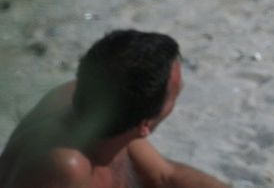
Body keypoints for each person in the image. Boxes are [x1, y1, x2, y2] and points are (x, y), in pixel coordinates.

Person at [0, 29, 229, 188]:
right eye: (176, 93)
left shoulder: (108, 115)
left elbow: (164, 177)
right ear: (145, 125)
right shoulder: (64, 167)